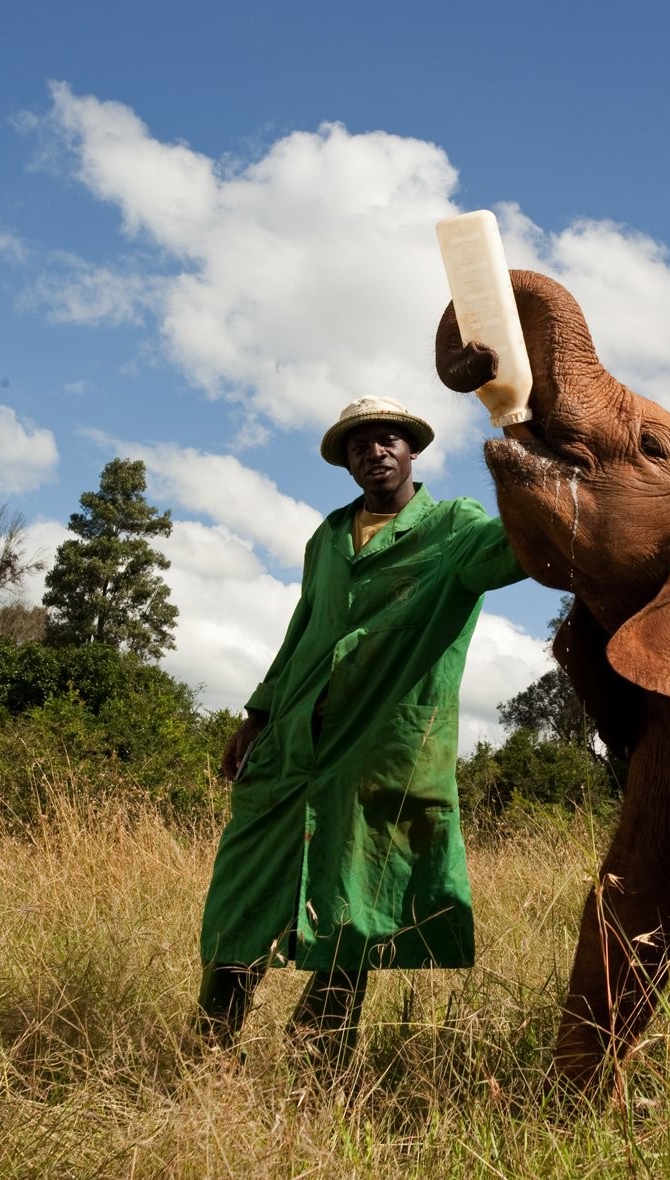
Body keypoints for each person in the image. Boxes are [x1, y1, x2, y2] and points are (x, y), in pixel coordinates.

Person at [195, 395, 526, 1065]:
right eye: (358, 445)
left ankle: (319, 1056)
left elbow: (511, 554)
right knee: (243, 892)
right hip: (294, 738)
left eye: (386, 441)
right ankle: (209, 1048)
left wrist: (528, 465)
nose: (373, 452)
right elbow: (303, 628)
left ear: (411, 452)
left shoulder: (453, 524)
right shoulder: (327, 536)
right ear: (346, 463)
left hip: (377, 744)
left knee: (354, 900)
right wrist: (257, 715)